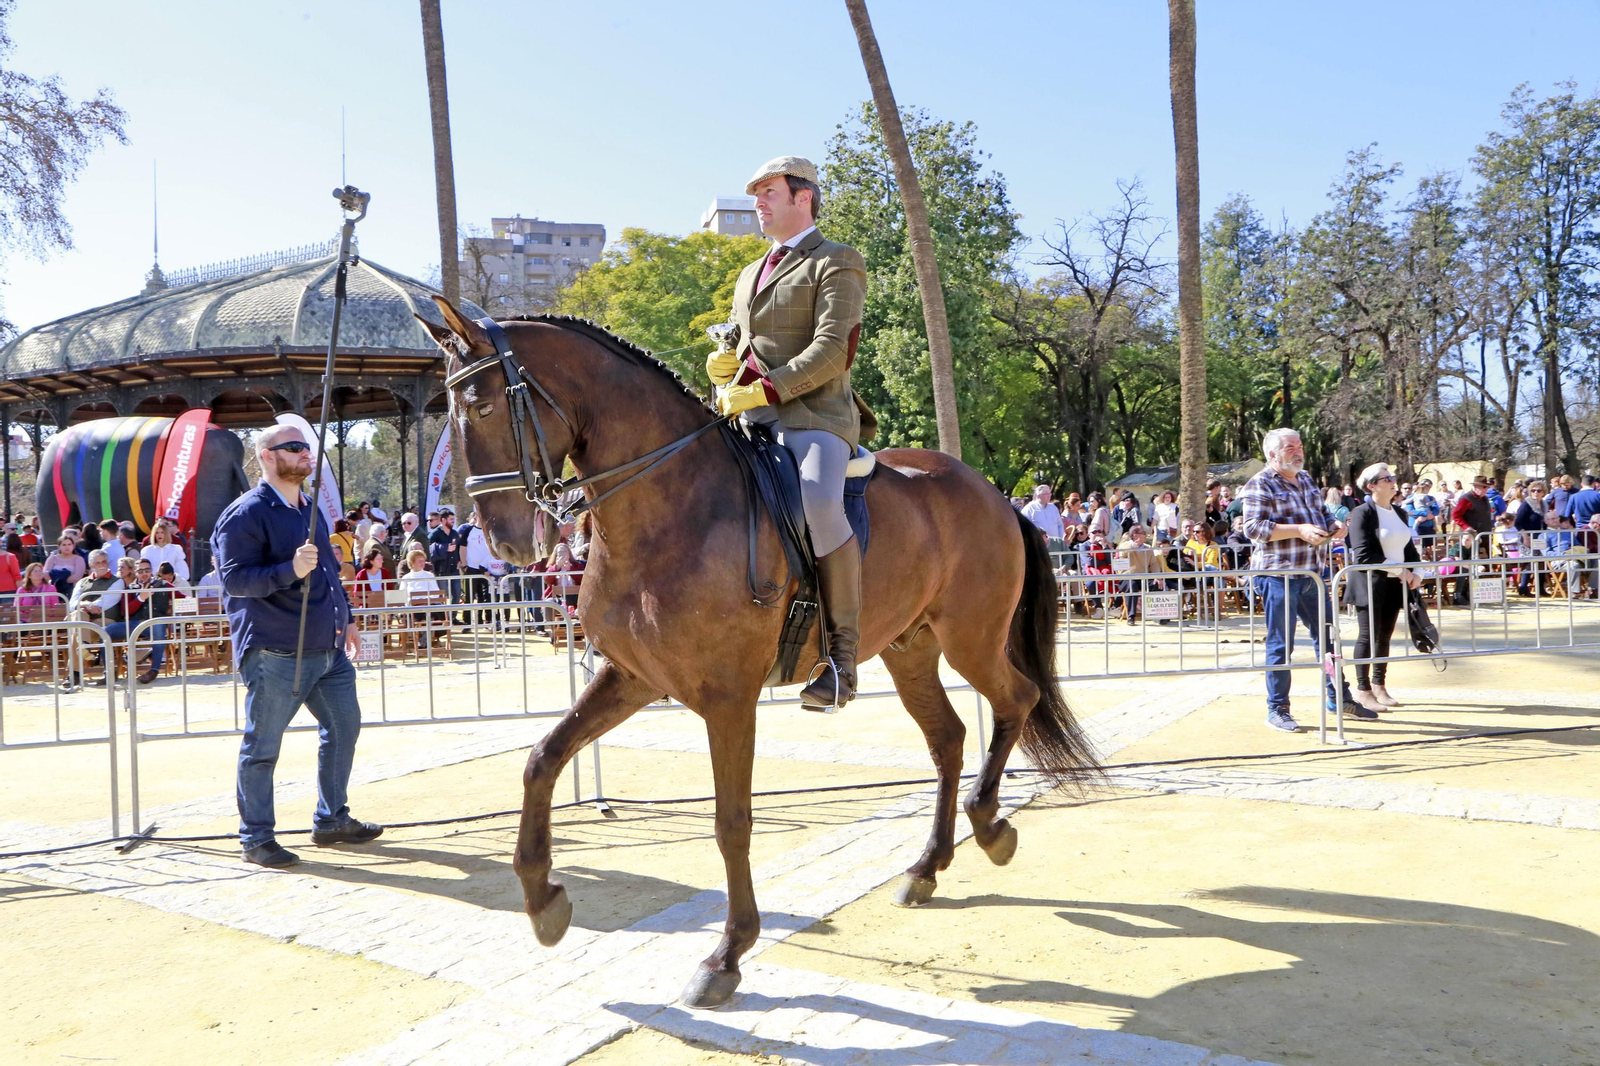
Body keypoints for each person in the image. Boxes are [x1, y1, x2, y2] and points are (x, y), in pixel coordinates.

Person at [709, 154, 869, 710]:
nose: (759, 202)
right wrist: (726, 369)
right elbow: (742, 347)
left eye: (769, 191)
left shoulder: (837, 261)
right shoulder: (749, 274)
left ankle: (841, 660)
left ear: (804, 196)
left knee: (820, 502)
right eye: (756, 194)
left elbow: (832, 351)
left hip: (815, 416)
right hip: (748, 416)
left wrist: (765, 389)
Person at [211, 423, 380, 869]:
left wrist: (346, 619)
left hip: (327, 649)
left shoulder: (310, 509)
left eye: (307, 447)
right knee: (262, 748)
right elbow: (234, 581)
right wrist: (288, 569)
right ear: (267, 455)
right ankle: (257, 838)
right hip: (275, 651)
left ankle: (331, 819)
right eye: (294, 447)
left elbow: (326, 572)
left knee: (344, 730)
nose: (306, 454)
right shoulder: (245, 513)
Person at [1240, 427, 1357, 732]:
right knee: (1281, 644)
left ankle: (1338, 697)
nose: (1298, 451)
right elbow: (1252, 528)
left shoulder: (1305, 479)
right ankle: (1277, 709)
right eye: (1290, 447)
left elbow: (1320, 513)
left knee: (1329, 638)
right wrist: (1299, 530)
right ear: (1272, 454)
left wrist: (1333, 524)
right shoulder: (1259, 483)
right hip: (1278, 575)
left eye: (1300, 445)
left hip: (1313, 574)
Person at [1343, 463, 1422, 713]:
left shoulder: (1400, 513)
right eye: (1386, 478)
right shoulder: (1362, 513)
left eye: (1392, 477)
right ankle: (1363, 689)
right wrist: (1401, 570)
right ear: (1372, 486)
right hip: (1369, 583)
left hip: (1394, 584)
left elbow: (1408, 549)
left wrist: (1417, 571)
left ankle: (1379, 684)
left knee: (1384, 637)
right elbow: (1363, 554)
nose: (1392, 481)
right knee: (1367, 636)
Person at [99, 558, 172, 686]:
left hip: (155, 623)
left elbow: (182, 596)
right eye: (141, 570)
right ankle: (108, 672)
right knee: (105, 631)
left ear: (152, 571)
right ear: (136, 572)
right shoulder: (129, 588)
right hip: (134, 624)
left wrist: (190, 601)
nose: (144, 573)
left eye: (147, 570)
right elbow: (125, 611)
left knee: (159, 626)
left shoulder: (163, 585)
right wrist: (140, 598)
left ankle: (154, 670)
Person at [1449, 476, 1495, 606]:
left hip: (1483, 537)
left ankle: (1472, 593)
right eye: (1484, 487)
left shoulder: (1485, 499)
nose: (1486, 489)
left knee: (1480, 565)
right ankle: (1459, 594)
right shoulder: (1466, 499)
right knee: (1465, 565)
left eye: (1487, 487)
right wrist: (1467, 528)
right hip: (1469, 538)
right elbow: (1456, 516)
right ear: (1475, 487)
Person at [429, 506, 463, 621]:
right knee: (442, 595)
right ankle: (442, 618)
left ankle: (452, 617)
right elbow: (429, 548)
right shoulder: (435, 534)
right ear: (443, 520)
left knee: (457, 593)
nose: (453, 521)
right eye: (450, 519)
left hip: (454, 568)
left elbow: (458, 548)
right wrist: (444, 548)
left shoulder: (454, 533)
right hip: (441, 569)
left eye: (453, 519)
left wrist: (459, 560)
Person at [1021, 484, 1066, 558]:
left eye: (1050, 493)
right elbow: (1024, 527)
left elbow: (1060, 525)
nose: (1049, 496)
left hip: (1054, 544)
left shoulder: (1053, 508)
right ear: (1039, 496)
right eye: (1046, 494)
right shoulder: (1029, 509)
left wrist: (1060, 539)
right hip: (1038, 545)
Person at [140, 519, 191, 583]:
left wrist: (176, 581)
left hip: (173, 583)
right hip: (153, 584)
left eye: (162, 532)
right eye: (157, 533)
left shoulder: (175, 549)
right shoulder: (147, 550)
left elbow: (183, 571)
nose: (159, 535)